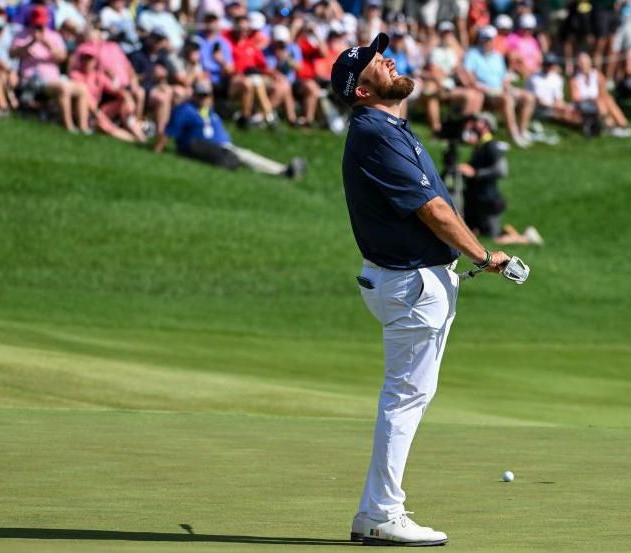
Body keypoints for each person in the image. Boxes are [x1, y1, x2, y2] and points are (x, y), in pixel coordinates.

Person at [331, 32, 512, 547]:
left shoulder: (389, 127)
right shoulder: (374, 132)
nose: (384, 59)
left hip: (415, 278)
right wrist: (483, 256)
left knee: (409, 396)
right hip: (410, 281)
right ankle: (382, 513)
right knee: (405, 398)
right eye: (371, 62)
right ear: (361, 91)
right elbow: (432, 209)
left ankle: (376, 512)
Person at [154, 80, 306, 177]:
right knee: (243, 155)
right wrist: (157, 151)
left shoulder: (210, 111)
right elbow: (169, 132)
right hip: (202, 146)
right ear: (193, 94)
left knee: (243, 154)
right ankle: (282, 171)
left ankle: (282, 171)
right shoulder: (185, 110)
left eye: (206, 95)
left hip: (222, 146)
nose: (203, 98)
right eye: (200, 95)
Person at [459, 113, 544, 245]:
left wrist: (475, 173)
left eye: (479, 122)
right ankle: (511, 232)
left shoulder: (492, 146)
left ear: (487, 126)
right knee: (476, 234)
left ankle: (526, 239)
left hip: (488, 200)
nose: (474, 124)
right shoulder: (480, 145)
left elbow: (501, 170)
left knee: (494, 239)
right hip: (477, 199)